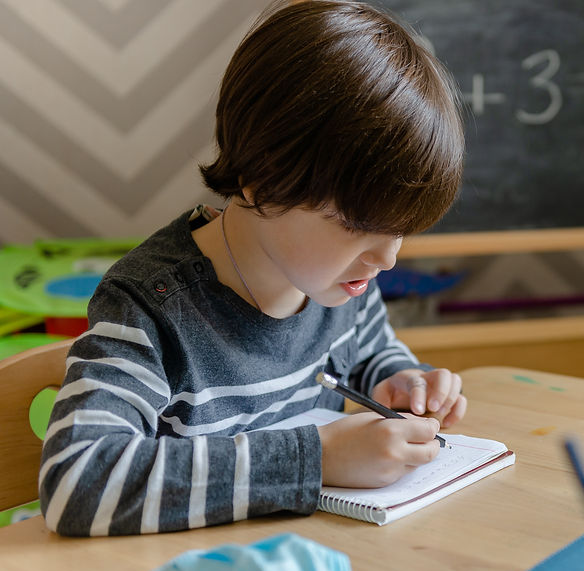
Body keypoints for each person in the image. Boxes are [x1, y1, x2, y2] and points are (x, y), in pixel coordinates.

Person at [39, 0, 466, 537]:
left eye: (401, 229)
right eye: (357, 225)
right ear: (261, 179)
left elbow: (369, 355)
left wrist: (397, 383)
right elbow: (77, 482)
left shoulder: (342, 280)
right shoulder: (153, 304)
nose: (388, 259)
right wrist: (316, 460)